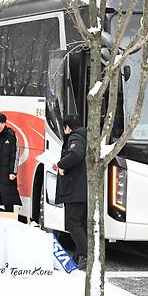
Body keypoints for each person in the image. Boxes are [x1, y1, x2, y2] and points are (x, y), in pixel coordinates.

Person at [54, 114, 88, 270]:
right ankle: (80, 252)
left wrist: (61, 165)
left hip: (76, 188)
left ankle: (85, 255)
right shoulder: (85, 135)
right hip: (82, 187)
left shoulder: (75, 138)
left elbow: (75, 154)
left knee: (71, 222)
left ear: (67, 127)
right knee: (79, 222)